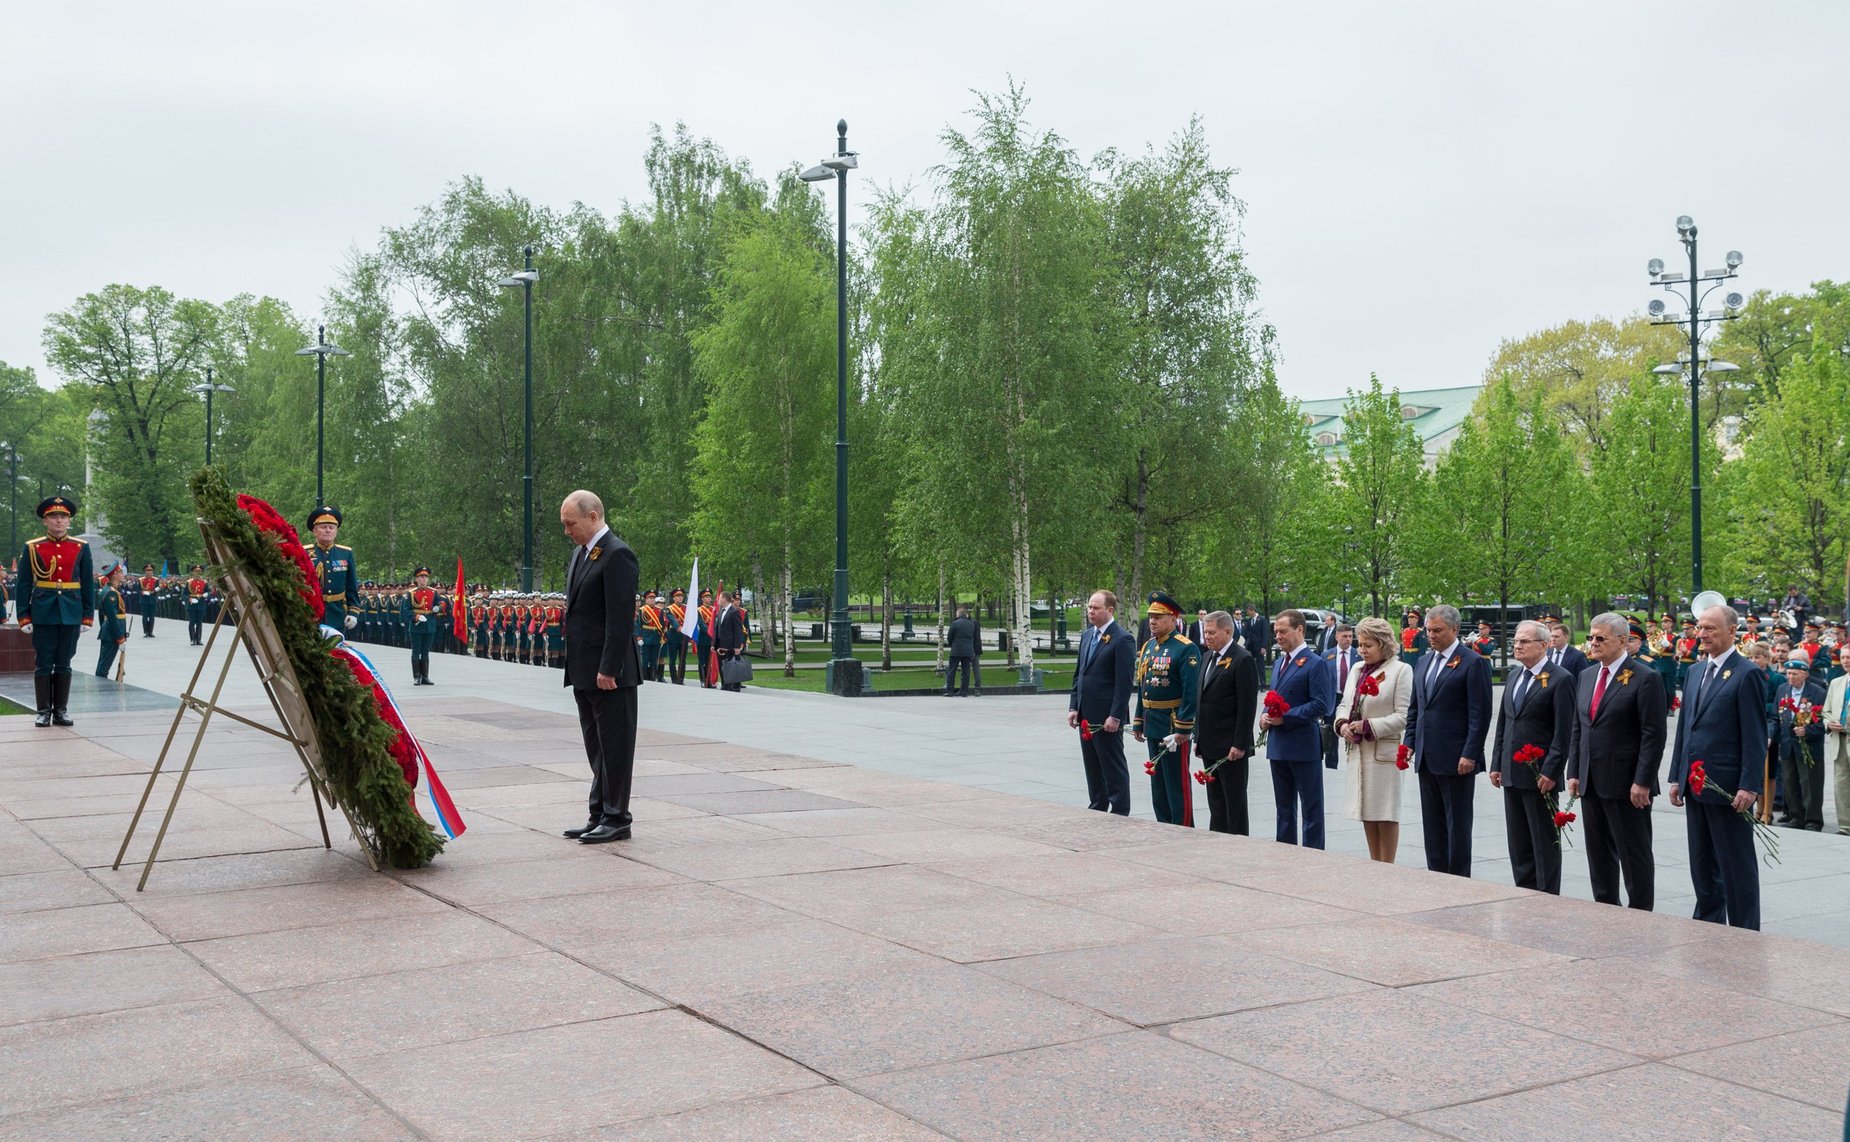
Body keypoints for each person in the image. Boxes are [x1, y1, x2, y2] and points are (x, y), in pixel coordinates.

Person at [1668, 604, 1767, 930]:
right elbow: (1686, 729)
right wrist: (1676, 777)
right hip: (1695, 785)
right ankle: (1708, 923)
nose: (1702, 634)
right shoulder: (1696, 671)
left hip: (1727, 787)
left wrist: (1750, 785)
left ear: (1731, 632)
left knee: (1736, 865)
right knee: (1702, 862)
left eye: (1710, 628)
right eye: (1700, 627)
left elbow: (1755, 736)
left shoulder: (1746, 673)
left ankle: (1744, 929)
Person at [1567, 612, 1668, 911]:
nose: (1593, 643)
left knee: (1633, 854)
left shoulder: (1645, 678)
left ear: (1622, 641)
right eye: (1591, 638)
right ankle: (1605, 907)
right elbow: (1579, 727)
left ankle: (1639, 912)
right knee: (1598, 854)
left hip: (1627, 784)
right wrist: (1574, 771)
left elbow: (1653, 735)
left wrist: (1642, 781)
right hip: (1591, 780)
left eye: (1601, 638)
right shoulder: (1586, 676)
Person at [558, 490, 640, 844]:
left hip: (610, 674)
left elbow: (619, 619)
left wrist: (608, 667)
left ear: (593, 517)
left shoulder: (618, 555)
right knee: (597, 746)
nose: (567, 531)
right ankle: (599, 813)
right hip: (583, 670)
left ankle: (617, 817)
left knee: (615, 746)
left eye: (570, 524)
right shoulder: (581, 553)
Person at [1404, 603, 1493, 877]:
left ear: (1454, 629)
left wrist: (1470, 753)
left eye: (1437, 630)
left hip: (1457, 759)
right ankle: (1436, 874)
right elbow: (1416, 708)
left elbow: (1480, 715)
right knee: (1432, 824)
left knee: (1457, 825)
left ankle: (1458, 879)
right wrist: (1409, 743)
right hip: (1427, 756)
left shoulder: (1473, 663)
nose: (1430, 635)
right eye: (1429, 630)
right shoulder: (1423, 661)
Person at [1490, 619, 1576, 893]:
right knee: (1519, 842)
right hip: (1512, 772)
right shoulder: (1515, 676)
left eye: (1524, 641)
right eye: (1516, 641)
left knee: (1544, 841)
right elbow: (1504, 723)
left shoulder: (1560, 678)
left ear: (1544, 645)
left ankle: (1547, 894)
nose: (1518, 646)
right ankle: (1523, 890)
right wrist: (1496, 764)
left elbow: (1564, 732)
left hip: (1541, 776)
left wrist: (1551, 770)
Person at [1334, 616, 1413, 862]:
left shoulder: (1401, 670)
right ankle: (1374, 862)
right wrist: (1343, 724)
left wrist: (1369, 725)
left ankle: (1387, 864)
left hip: (1384, 753)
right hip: (1359, 751)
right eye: (1361, 644)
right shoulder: (1357, 670)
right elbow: (1345, 704)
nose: (1362, 650)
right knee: (1367, 810)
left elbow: (1404, 716)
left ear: (1384, 644)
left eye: (1368, 645)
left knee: (1385, 812)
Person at [13, 496, 95, 727]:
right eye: (53, 517)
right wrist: (23, 615)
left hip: (71, 610)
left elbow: (88, 584)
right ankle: (43, 711)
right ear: (45, 521)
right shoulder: (33, 547)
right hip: (43, 611)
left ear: (68, 521)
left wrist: (88, 616)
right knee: (43, 662)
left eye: (63, 517)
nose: (59, 521)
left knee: (64, 662)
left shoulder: (80, 547)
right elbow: (24, 584)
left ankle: (60, 711)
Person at [1260, 608, 1336, 848]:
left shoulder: (1315, 663)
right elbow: (1274, 696)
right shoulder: (1281, 662)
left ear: (1300, 629)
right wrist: (1264, 716)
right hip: (1279, 745)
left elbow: (1322, 704)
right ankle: (1285, 850)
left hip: (1303, 745)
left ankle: (1313, 854)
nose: (1278, 637)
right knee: (1283, 807)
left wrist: (1287, 717)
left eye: (1283, 631)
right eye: (1276, 632)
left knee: (1311, 808)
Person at [1131, 592, 1201, 827]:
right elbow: (1144, 686)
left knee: (1176, 781)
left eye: (1159, 617)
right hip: (1153, 722)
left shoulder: (1185, 648)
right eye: (1151, 616)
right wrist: (1139, 719)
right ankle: (1163, 823)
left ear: (1173, 619)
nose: (1152, 621)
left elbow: (1191, 693)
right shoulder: (1149, 646)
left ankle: (1182, 826)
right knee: (1157, 780)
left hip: (1173, 725)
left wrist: (1183, 728)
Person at [1068, 590, 1136, 816]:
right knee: (1093, 766)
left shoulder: (1122, 639)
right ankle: (1097, 805)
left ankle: (1119, 810)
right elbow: (1080, 674)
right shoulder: (1088, 636)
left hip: (1107, 718)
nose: (1090, 611)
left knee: (1113, 766)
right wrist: (1073, 706)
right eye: (1089, 607)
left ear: (1110, 610)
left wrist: (1115, 715)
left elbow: (1124, 683)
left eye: (1095, 608)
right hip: (1086, 715)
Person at [1193, 610, 1258, 835]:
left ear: (1228, 631)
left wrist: (1240, 743)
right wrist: (1198, 738)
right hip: (1210, 743)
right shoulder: (1206, 657)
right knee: (1216, 801)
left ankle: (1238, 843)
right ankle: (1217, 839)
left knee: (1234, 802)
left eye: (1211, 632)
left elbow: (1246, 707)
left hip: (1231, 746)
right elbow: (1202, 701)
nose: (1206, 637)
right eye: (1205, 632)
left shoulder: (1243, 659)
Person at [1775, 656, 1827, 832]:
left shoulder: (1818, 692)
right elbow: (1776, 717)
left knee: (1810, 784)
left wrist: (1809, 731)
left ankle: (1813, 819)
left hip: (1809, 746)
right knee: (1790, 782)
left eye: (1794, 674)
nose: (1790, 677)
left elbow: (1824, 721)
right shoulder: (1782, 690)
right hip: (1788, 745)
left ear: (1805, 674)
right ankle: (1796, 816)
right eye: (1788, 673)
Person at [306, 506, 357, 634]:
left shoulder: (345, 553)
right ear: (315, 531)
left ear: (336, 531)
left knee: (336, 651)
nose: (328, 530)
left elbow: (351, 586)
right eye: (323, 527)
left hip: (337, 613)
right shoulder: (305, 553)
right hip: (311, 612)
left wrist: (353, 612)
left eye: (331, 527)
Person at [1822, 646, 1850, 836]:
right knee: (1841, 785)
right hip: (1839, 741)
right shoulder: (1836, 682)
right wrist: (1829, 723)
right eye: (1844, 657)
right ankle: (1845, 826)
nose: (1846, 661)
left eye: (1849, 657)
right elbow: (1826, 710)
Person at [1323, 624, 1359, 769]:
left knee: (1351, 729)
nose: (1348, 639)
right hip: (1334, 697)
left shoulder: (1358, 655)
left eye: (1350, 636)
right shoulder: (1327, 655)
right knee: (1332, 730)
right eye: (1345, 636)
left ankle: (1353, 762)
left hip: (1352, 699)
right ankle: (1331, 763)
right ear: (1337, 637)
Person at [94, 563, 130, 679]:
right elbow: (113, 618)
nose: (122, 574)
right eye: (120, 572)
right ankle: (101, 689)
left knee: (103, 663)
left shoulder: (109, 590)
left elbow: (102, 616)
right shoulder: (111, 593)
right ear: (114, 575)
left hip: (108, 632)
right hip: (112, 633)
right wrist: (120, 638)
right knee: (104, 666)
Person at [406, 566, 437, 686]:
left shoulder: (433, 592)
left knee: (425, 652)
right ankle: (416, 676)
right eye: (421, 577)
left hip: (429, 625)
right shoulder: (411, 593)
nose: (423, 579)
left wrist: (438, 608)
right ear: (417, 579)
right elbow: (407, 610)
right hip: (417, 626)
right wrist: (416, 617)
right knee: (416, 651)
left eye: (425, 577)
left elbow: (440, 604)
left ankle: (425, 676)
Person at [715, 589, 747, 692]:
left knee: (731, 665)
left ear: (724, 599)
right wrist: (713, 644)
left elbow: (738, 630)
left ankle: (733, 686)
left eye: (720, 598)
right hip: (720, 644)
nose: (718, 600)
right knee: (722, 666)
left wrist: (737, 646)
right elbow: (717, 628)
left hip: (730, 645)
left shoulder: (734, 612)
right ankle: (725, 684)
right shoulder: (721, 611)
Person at [945, 605, 979, 697]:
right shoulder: (971, 624)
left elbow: (949, 637)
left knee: (952, 671)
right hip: (968, 651)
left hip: (956, 650)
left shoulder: (955, 623)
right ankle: (964, 691)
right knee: (966, 672)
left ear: (958, 614)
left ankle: (949, 691)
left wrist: (953, 645)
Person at [638, 589, 665, 681]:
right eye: (650, 598)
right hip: (645, 636)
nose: (652, 600)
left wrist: (663, 636)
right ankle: (644, 677)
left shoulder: (660, 611)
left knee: (654, 658)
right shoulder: (642, 610)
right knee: (645, 658)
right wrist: (639, 637)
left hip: (656, 636)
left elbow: (662, 624)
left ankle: (652, 676)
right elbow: (638, 625)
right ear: (645, 599)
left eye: (653, 598)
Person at [664, 587, 689, 684]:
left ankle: (681, 678)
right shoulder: (669, 609)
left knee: (683, 659)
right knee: (673, 659)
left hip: (684, 636)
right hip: (674, 635)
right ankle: (674, 679)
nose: (680, 598)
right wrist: (679, 627)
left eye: (681, 596)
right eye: (677, 596)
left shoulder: (687, 608)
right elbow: (672, 620)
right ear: (673, 598)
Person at [181, 564, 209, 645]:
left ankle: (198, 639)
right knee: (192, 622)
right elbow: (184, 594)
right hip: (192, 604)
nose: (198, 573)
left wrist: (206, 594)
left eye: (200, 572)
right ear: (193, 573)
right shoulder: (189, 583)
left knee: (199, 623)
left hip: (201, 604)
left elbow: (208, 591)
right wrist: (190, 599)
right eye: (196, 572)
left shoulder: (204, 582)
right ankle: (192, 639)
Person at [695, 588, 717, 688]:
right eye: (706, 597)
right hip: (703, 638)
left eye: (709, 597)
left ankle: (709, 680)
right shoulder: (699, 610)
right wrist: (711, 632)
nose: (708, 599)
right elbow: (701, 624)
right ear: (702, 599)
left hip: (712, 639)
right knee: (702, 660)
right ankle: (703, 680)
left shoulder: (714, 610)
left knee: (709, 661)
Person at [137, 563, 160, 637]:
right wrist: (142, 592)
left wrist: (155, 591)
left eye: (151, 570)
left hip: (152, 600)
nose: (149, 572)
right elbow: (138, 590)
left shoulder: (156, 580)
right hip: (144, 600)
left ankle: (150, 631)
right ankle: (145, 631)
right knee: (145, 616)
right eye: (147, 570)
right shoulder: (141, 580)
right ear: (145, 571)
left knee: (152, 617)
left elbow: (157, 589)